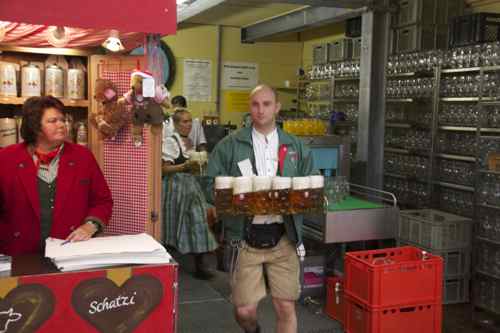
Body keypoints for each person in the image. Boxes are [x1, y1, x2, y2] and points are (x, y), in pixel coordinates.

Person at [207, 85, 315, 333]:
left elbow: (312, 181)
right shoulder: (230, 145)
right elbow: (207, 182)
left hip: (285, 236)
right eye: (255, 104)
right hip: (244, 238)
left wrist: (304, 198)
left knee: (286, 306)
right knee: (244, 311)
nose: (260, 110)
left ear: (277, 107)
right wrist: (232, 199)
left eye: (267, 104)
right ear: (250, 107)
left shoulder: (296, 147)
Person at [0, 96, 113, 256]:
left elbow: (103, 201)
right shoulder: (6, 158)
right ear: (35, 126)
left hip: (70, 251)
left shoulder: (82, 157)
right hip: (18, 254)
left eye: (63, 120)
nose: (62, 125)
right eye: (53, 121)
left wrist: (90, 225)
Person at [162, 108, 218, 279]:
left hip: (191, 186)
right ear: (176, 123)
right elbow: (163, 169)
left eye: (190, 121)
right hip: (176, 187)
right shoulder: (170, 142)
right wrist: (185, 166)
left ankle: (200, 263)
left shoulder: (190, 142)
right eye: (184, 122)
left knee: (197, 219)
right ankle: (193, 264)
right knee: (193, 219)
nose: (188, 125)